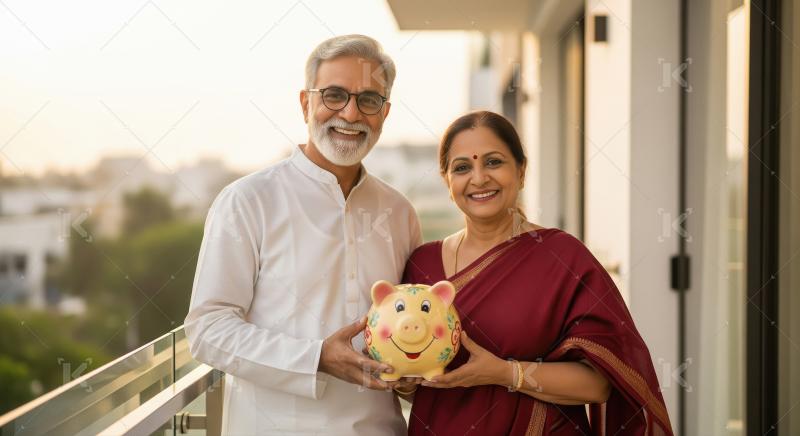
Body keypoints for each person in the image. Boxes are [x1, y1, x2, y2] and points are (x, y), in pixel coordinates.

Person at [184, 34, 421, 435]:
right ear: (305, 103)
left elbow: (407, 327)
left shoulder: (399, 213)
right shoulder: (247, 200)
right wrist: (316, 358)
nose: (350, 114)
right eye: (334, 95)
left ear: (384, 113)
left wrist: (412, 373)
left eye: (368, 100)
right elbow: (208, 330)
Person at [401, 111, 673, 435]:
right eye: (462, 167)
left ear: (521, 171)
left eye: (493, 162)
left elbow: (600, 385)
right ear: (447, 181)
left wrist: (504, 373)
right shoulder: (422, 265)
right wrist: (403, 382)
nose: (478, 178)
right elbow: (415, 381)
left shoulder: (562, 257)